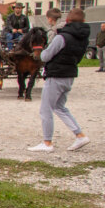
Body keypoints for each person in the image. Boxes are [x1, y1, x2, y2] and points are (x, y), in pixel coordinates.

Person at [27, 8, 91, 153]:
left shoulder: (62, 37)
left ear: (67, 21)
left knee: (46, 109)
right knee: (59, 107)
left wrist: (42, 52)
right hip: (69, 75)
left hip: (56, 75)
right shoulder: (83, 39)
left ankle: (47, 142)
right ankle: (79, 135)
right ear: (83, 22)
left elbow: (45, 56)